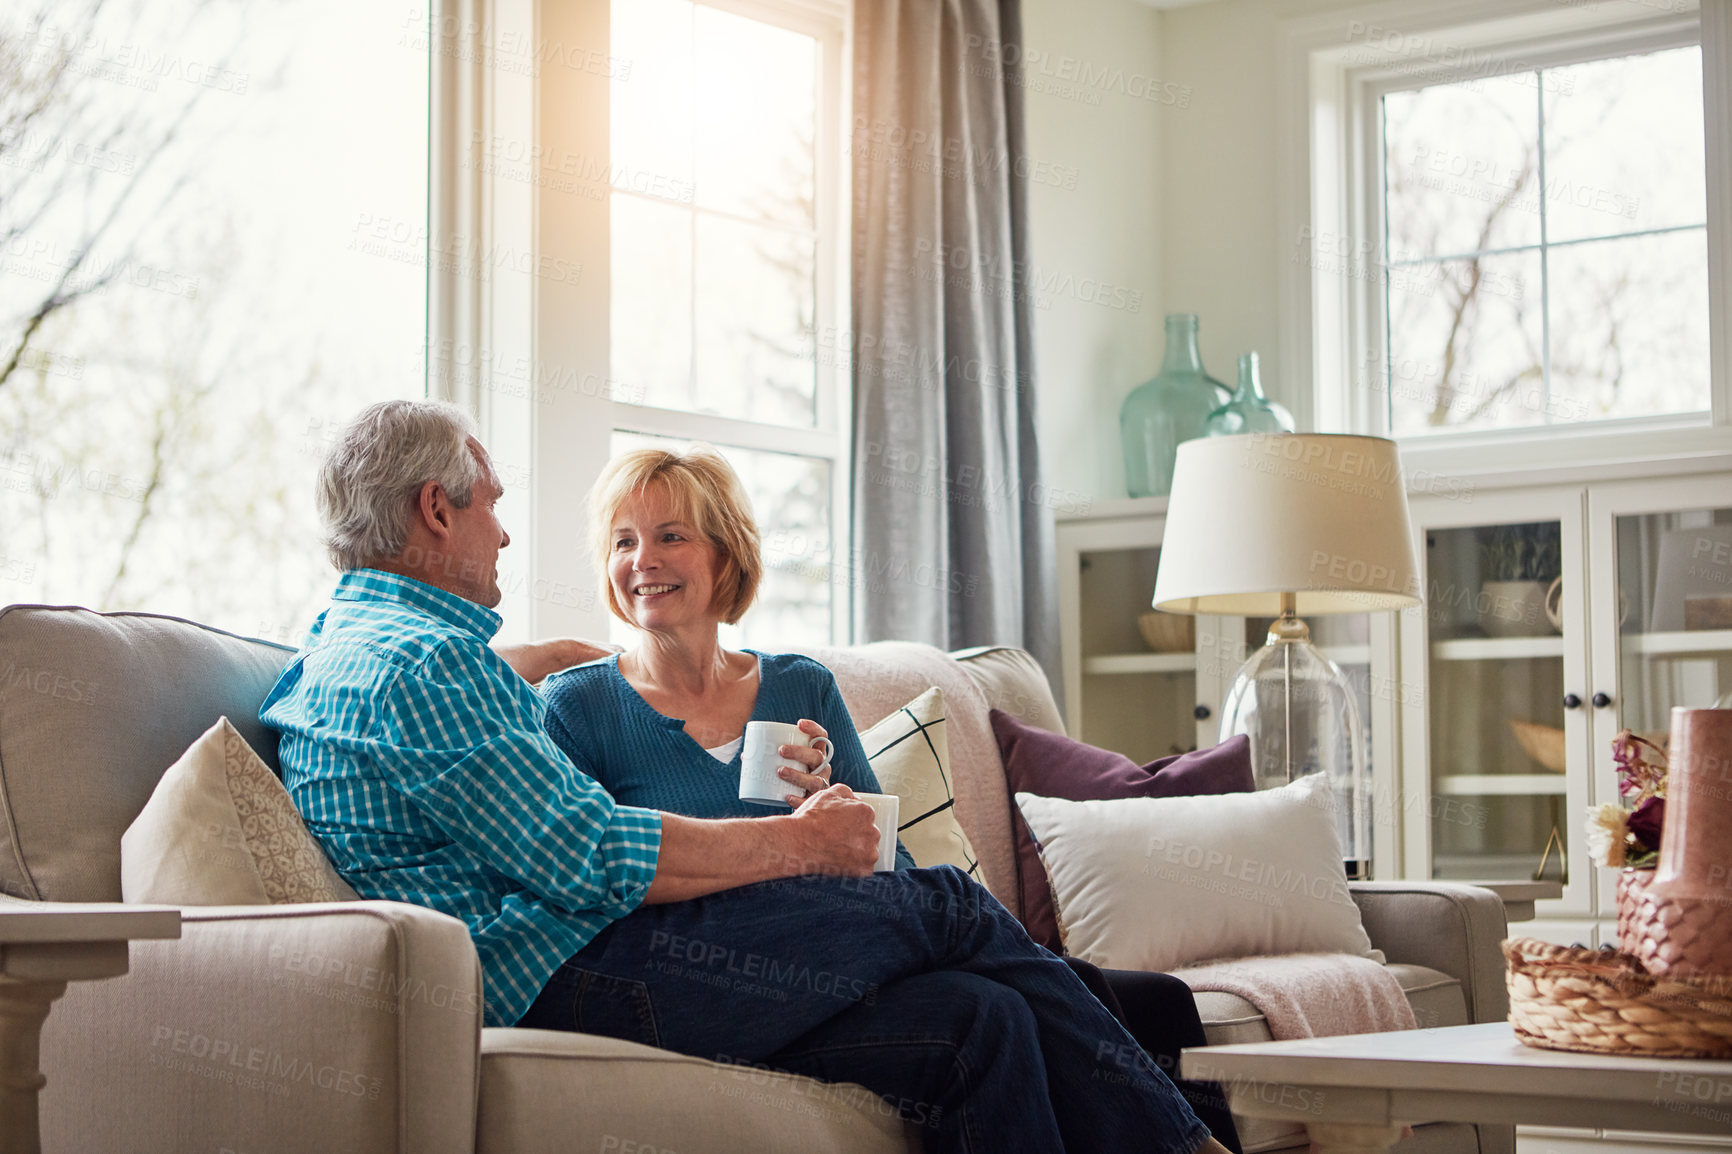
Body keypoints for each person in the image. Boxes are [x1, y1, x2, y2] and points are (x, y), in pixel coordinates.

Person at [261, 399, 1229, 1154]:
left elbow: (457, 761)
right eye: (494, 506)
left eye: (673, 536)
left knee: (976, 1018)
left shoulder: (337, 651)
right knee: (947, 905)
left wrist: (514, 658)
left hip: (585, 964)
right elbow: (593, 852)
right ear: (437, 506)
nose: (505, 535)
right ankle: (1182, 1137)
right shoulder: (428, 664)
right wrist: (803, 841)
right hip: (580, 971)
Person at [538, 444, 912, 873]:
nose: (642, 560)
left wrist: (829, 819)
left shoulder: (805, 685)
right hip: (694, 937)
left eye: (670, 537)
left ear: (727, 553)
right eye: (624, 542)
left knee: (959, 903)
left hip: (833, 925)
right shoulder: (575, 705)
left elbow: (893, 864)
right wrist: (799, 842)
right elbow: (578, 881)